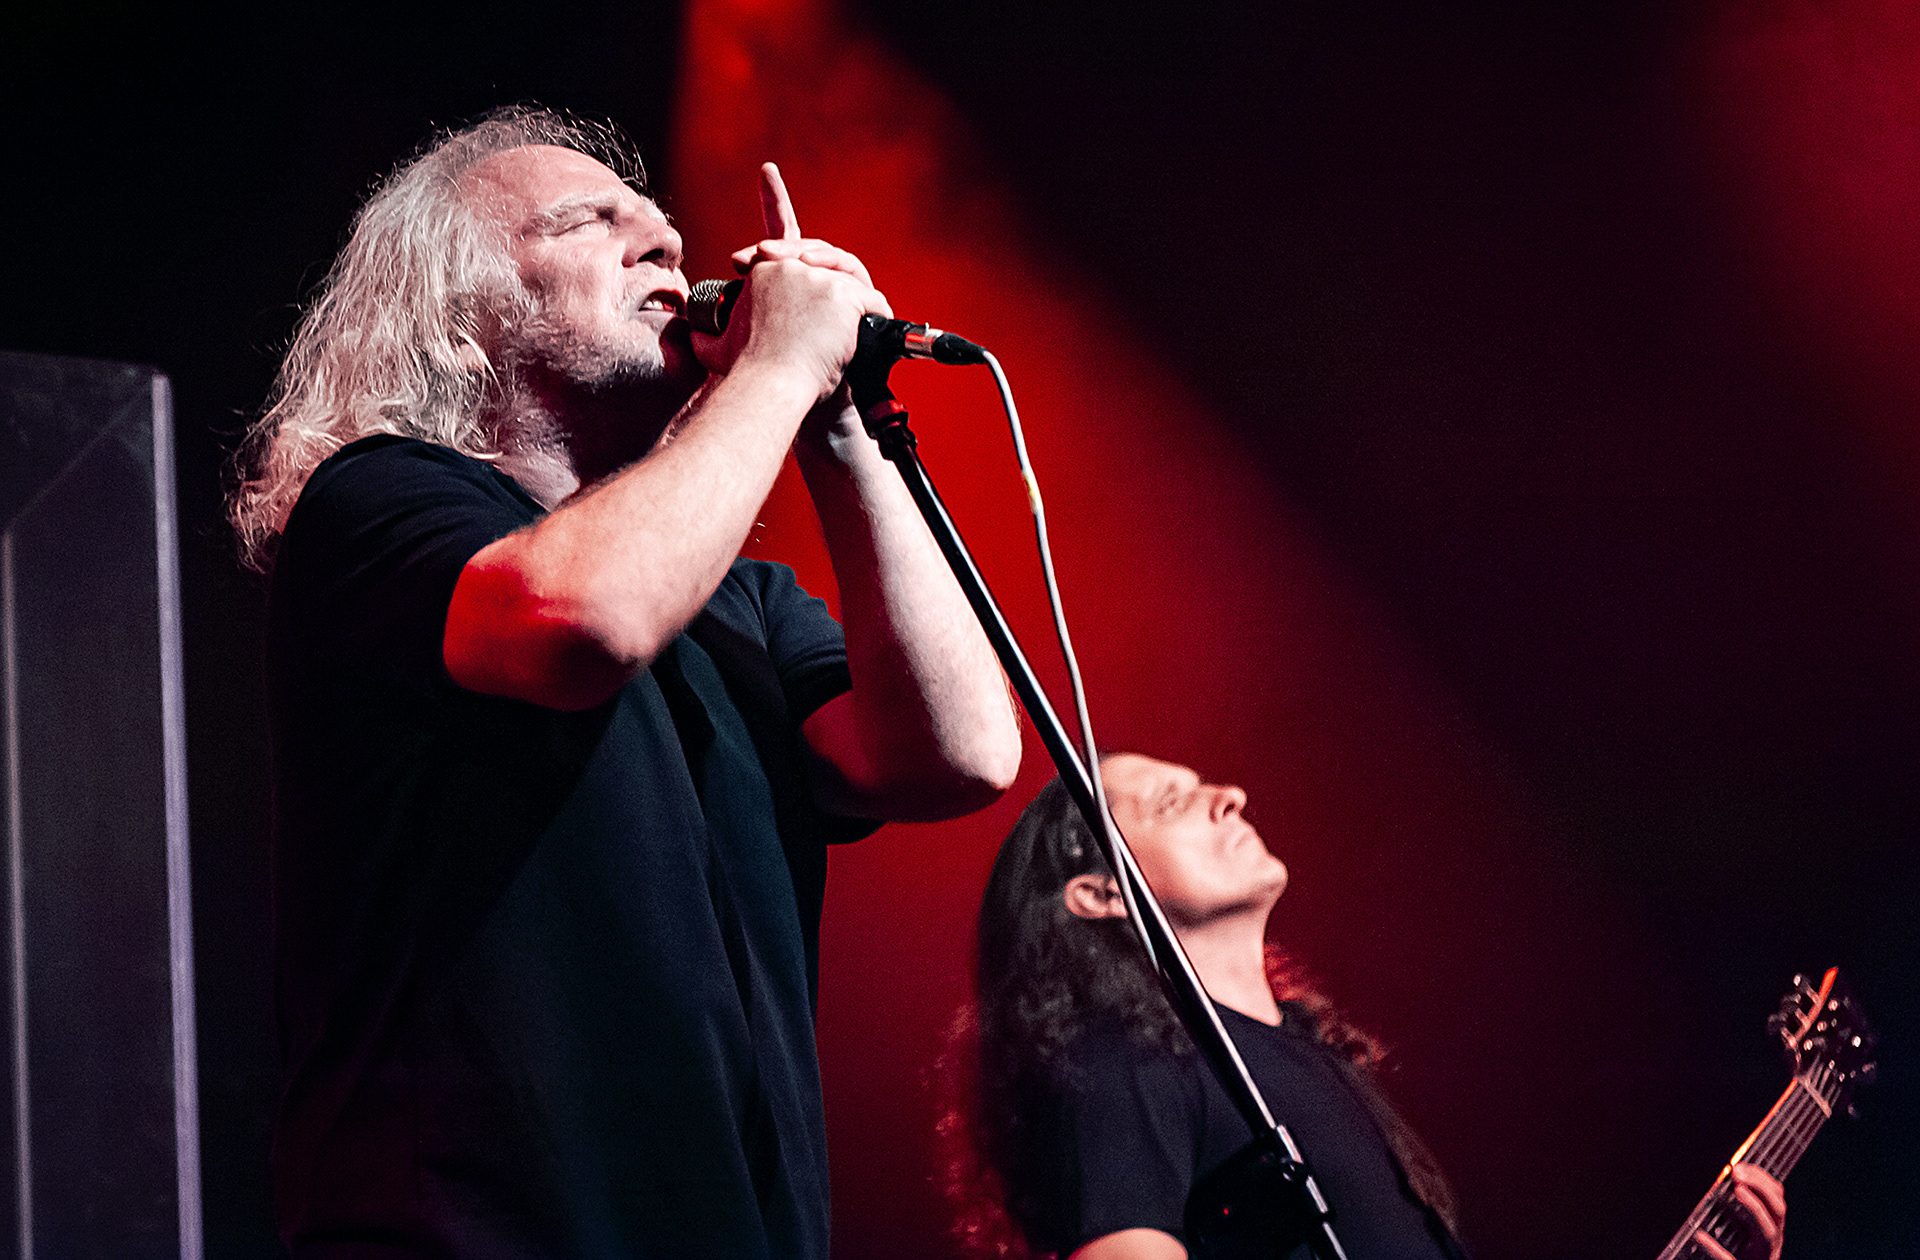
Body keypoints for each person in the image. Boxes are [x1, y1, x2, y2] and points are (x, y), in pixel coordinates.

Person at [227, 106, 1020, 1259]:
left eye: (662, 230)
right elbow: (580, 620)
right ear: (458, 314)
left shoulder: (745, 604)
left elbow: (957, 755)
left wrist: (839, 422)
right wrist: (780, 363)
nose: (665, 247)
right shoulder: (375, 503)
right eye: (591, 221)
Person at [947, 754, 1787, 1260]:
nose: (1230, 794)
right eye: (1173, 802)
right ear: (1100, 895)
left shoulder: (1311, 1054)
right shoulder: (1122, 1064)